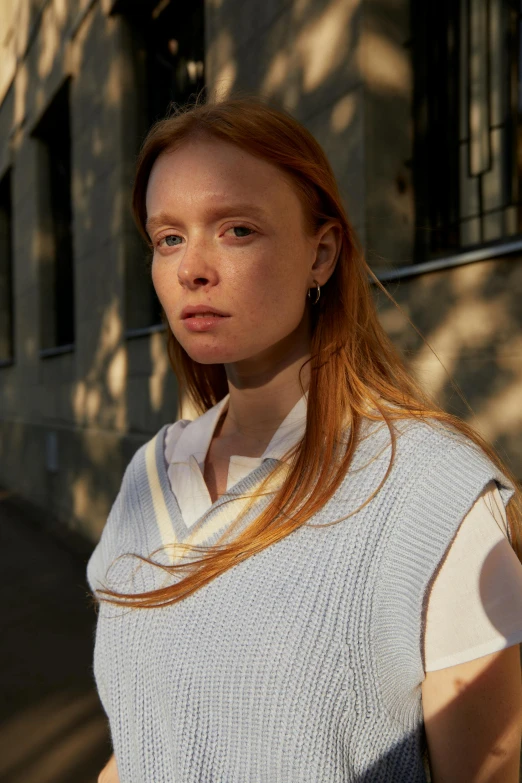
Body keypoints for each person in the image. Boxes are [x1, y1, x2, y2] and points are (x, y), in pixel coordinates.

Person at [89, 96, 522, 783]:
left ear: (320, 253)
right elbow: (144, 737)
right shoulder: (149, 473)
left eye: (236, 229)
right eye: (168, 237)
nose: (190, 267)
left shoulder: (431, 493)